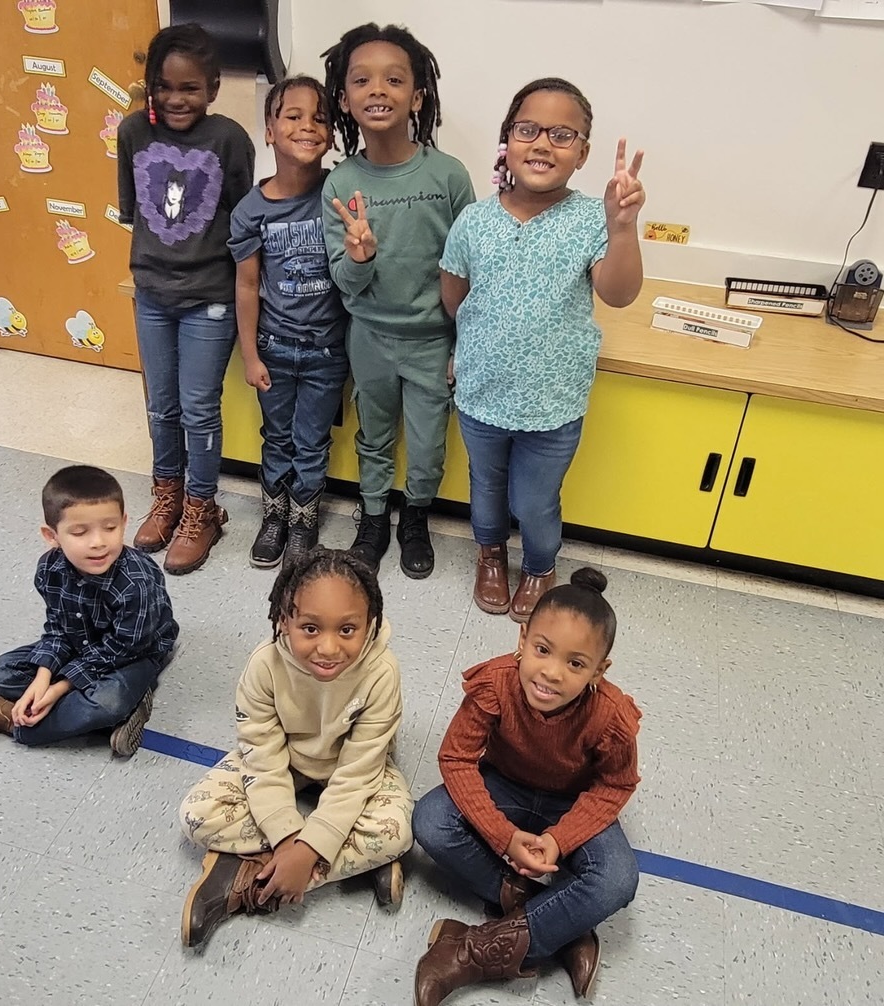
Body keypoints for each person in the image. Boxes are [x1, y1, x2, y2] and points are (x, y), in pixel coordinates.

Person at [440, 78, 645, 619]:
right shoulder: (475, 221)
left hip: (552, 402)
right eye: (528, 129)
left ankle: (537, 565)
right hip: (482, 393)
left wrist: (623, 226)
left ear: (582, 153)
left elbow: (619, 294)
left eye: (562, 134)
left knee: (534, 500)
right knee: (485, 487)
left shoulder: (591, 221)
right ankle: (489, 553)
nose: (542, 144)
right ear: (507, 140)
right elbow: (454, 296)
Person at [411, 568, 640, 1004]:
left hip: (571, 804)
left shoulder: (611, 716)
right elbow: (456, 758)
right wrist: (505, 837)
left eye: (575, 663)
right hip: (505, 787)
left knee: (618, 881)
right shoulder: (495, 683)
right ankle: (561, 922)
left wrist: (560, 838)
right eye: (542, 650)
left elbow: (615, 785)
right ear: (522, 641)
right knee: (430, 819)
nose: (551, 673)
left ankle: (469, 952)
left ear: (599, 670)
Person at [177, 547, 413, 949]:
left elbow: (359, 774)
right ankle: (343, 865)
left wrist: (307, 850)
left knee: (396, 833)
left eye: (347, 630)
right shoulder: (264, 666)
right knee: (197, 816)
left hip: (352, 768)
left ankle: (246, 879)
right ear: (285, 620)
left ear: (370, 623)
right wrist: (290, 840)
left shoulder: (382, 673)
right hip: (285, 762)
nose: (328, 648)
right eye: (310, 628)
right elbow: (262, 757)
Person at [321, 23, 474, 578]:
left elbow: (470, 270)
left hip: (434, 341)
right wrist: (359, 257)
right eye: (361, 80)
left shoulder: (448, 175)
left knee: (430, 446)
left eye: (393, 78)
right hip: (370, 338)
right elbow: (344, 281)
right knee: (374, 434)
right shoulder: (340, 182)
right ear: (344, 99)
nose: (377, 89)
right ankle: (373, 515)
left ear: (418, 95)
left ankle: (416, 516)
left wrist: (463, 345)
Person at [118, 23, 256, 575]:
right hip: (152, 293)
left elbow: (245, 218)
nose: (177, 99)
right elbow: (134, 211)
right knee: (161, 407)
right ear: (151, 85)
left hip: (210, 298)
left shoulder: (228, 139)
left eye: (191, 88)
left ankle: (202, 508)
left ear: (214, 88)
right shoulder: (132, 133)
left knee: (199, 408)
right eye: (165, 87)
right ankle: (167, 497)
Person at [0, 466, 179, 757]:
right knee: (2, 672)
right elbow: (58, 627)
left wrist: (58, 688)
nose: (98, 542)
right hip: (80, 643)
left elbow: (125, 647)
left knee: (108, 702)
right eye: (80, 532)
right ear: (51, 535)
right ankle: (90, 713)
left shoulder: (137, 582)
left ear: (124, 522)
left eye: (110, 528)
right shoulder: (49, 569)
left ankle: (9, 720)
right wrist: (44, 675)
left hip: (134, 654)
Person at [229, 75, 348, 570]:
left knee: (311, 439)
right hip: (273, 348)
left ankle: (304, 519)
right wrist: (251, 354)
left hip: (326, 352)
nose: (307, 126)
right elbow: (247, 286)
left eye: (320, 118)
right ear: (270, 130)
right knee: (276, 436)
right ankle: (274, 515)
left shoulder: (339, 192)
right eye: (293, 116)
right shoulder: (251, 210)